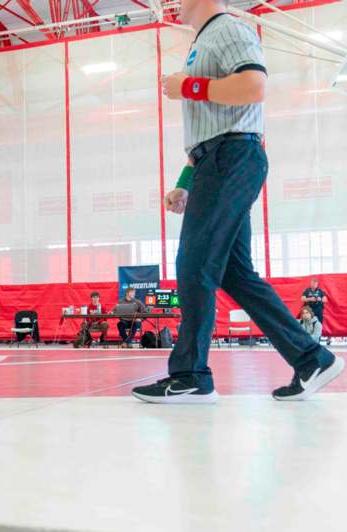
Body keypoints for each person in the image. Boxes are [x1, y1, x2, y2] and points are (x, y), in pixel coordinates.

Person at [132, 0, 343, 403]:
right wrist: (187, 181)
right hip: (221, 159)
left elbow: (253, 87)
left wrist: (188, 86)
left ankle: (192, 375)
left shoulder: (227, 29)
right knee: (234, 273)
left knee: (194, 263)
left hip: (230, 158)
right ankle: (310, 357)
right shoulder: (205, 39)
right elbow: (215, 130)